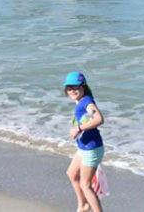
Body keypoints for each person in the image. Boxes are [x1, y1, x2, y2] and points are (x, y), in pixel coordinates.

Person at [64, 72, 105, 212]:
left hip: (92, 149)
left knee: (86, 185)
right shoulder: (81, 102)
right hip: (84, 147)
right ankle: (83, 205)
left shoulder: (87, 102)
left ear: (83, 86)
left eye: (76, 87)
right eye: (69, 88)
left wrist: (79, 128)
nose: (72, 91)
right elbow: (88, 119)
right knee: (72, 174)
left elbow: (99, 119)